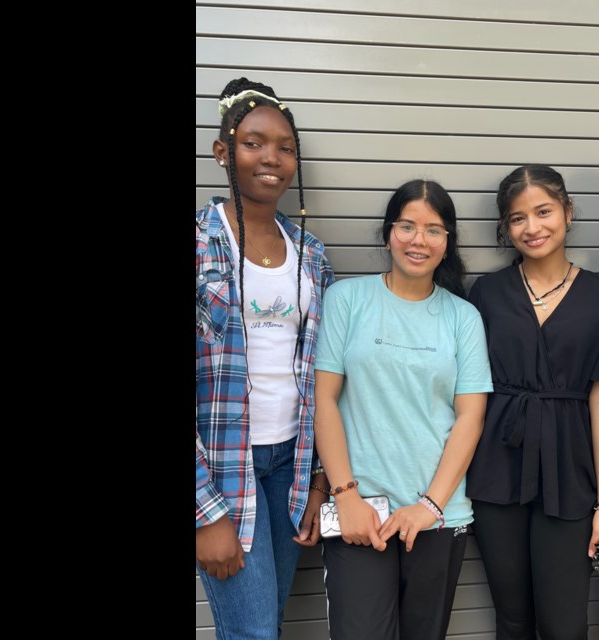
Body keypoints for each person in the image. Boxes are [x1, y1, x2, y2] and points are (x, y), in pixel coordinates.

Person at [312, 179, 493, 640]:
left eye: (434, 230)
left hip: (436, 515)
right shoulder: (347, 300)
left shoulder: (462, 317)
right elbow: (324, 400)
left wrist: (429, 505)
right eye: (407, 226)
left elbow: (470, 418)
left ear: (448, 241)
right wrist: (345, 494)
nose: (419, 240)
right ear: (388, 232)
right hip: (360, 514)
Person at [196, 77, 336, 640]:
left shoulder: (311, 254)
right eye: (254, 143)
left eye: (285, 146)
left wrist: (318, 481)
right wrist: (205, 513)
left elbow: (325, 375)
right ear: (223, 152)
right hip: (223, 472)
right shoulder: (201, 247)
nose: (272, 158)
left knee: (267, 625)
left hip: (290, 466)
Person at [466, 165, 599, 640]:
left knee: (563, 622)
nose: (532, 228)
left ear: (568, 212)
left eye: (543, 211)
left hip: (570, 470)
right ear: (505, 227)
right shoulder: (488, 293)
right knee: (512, 619)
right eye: (517, 218)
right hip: (499, 465)